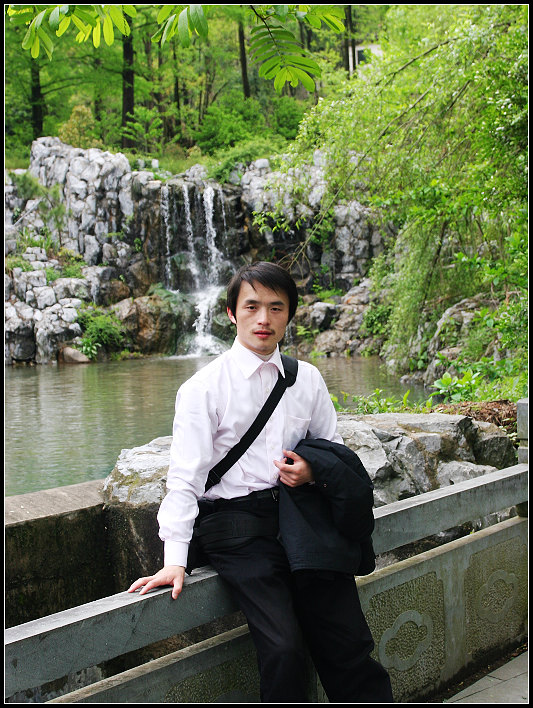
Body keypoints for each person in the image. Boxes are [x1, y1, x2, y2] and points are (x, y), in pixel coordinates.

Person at [128, 262, 393, 703]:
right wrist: (175, 560)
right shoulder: (203, 388)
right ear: (232, 313)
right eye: (251, 307)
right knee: (285, 649)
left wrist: (312, 470)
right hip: (236, 529)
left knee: (346, 642)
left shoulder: (306, 379)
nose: (263, 319)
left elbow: (334, 451)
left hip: (300, 517)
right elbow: (185, 478)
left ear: (290, 314)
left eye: (276, 307)